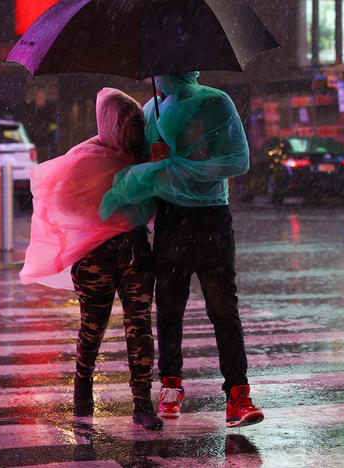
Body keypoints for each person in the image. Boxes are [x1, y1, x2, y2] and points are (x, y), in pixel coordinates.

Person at [99, 72, 264, 428]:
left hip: (211, 219)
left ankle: (238, 394)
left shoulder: (215, 103)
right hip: (172, 221)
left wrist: (187, 165)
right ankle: (171, 386)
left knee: (223, 308)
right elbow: (141, 172)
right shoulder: (152, 112)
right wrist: (157, 163)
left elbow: (238, 160)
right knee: (169, 308)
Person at [19, 88, 162, 430]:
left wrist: (155, 169)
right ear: (111, 125)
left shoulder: (147, 155)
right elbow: (62, 204)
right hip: (94, 261)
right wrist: (101, 208)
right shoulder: (85, 159)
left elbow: (156, 203)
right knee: (92, 328)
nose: (135, 133)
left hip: (135, 254)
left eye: (138, 124)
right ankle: (82, 383)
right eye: (128, 125)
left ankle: (142, 403)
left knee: (139, 325)